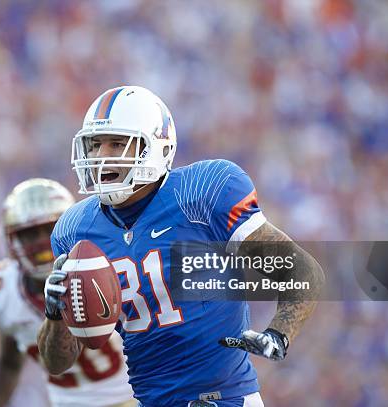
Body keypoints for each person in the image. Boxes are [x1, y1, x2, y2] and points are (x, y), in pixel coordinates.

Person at [38, 86, 325, 407]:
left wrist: (278, 335)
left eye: (117, 143)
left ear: (155, 147)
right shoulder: (75, 230)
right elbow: (57, 363)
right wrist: (55, 314)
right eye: (95, 145)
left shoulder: (201, 194)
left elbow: (301, 273)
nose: (101, 156)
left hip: (225, 400)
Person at [0, 178, 135, 407]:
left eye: (50, 228)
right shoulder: (1, 292)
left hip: (133, 397)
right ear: (11, 240)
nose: (42, 242)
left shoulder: (106, 267)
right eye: (30, 233)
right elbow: (9, 363)